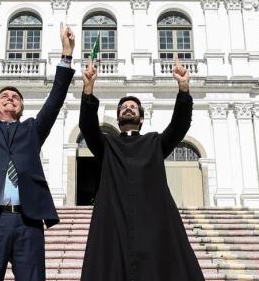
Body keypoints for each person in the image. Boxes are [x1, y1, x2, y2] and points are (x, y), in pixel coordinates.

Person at [0, 17, 75, 281]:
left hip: (27, 221)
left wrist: (66, 55)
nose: (11, 98)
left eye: (16, 97)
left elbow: (54, 101)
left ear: (21, 108)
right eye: (4, 96)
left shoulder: (32, 129)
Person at [79, 59, 205, 281]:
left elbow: (179, 126)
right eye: (124, 108)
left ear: (142, 118)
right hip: (114, 220)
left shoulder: (155, 142)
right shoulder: (107, 145)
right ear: (118, 118)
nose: (128, 109)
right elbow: (88, 127)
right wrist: (88, 91)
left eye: (133, 107)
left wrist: (183, 90)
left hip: (153, 220)